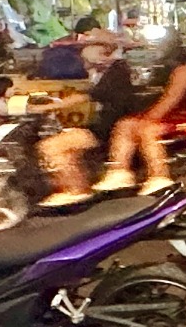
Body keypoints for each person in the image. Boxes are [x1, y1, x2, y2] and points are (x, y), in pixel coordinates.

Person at [97, 32, 186, 193]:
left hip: (179, 120)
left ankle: (159, 176)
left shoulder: (184, 69)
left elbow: (171, 99)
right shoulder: (156, 70)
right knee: (125, 125)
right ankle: (119, 172)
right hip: (155, 117)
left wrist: (149, 118)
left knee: (147, 130)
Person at [38, 28, 128, 203]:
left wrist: (46, 107)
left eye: (88, 47)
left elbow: (87, 96)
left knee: (52, 146)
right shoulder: (102, 72)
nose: (82, 53)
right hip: (104, 125)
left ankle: (76, 190)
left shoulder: (116, 71)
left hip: (109, 129)